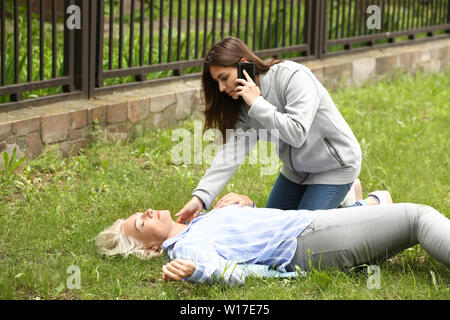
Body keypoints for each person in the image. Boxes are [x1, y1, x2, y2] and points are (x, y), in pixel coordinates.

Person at [176, 36, 362, 223]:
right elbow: (231, 154)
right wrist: (200, 198)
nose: (222, 88)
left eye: (224, 78)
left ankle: (368, 204)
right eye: (217, 81)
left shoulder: (292, 77)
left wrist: (258, 103)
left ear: (244, 64)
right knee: (270, 227)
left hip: (335, 166)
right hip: (296, 172)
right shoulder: (243, 106)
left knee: (304, 232)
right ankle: (339, 199)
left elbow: (297, 134)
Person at [95, 194, 450, 286]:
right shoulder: (186, 249)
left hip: (312, 225)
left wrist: (246, 202)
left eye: (140, 213)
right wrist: (196, 272)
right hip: (309, 240)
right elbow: (233, 273)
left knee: (385, 202)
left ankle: (368, 205)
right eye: (141, 224)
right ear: (151, 249)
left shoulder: (196, 224)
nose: (147, 213)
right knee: (418, 217)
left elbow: (247, 224)